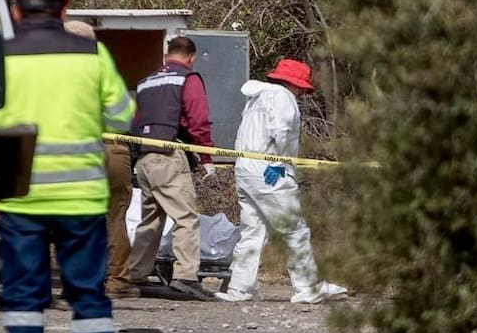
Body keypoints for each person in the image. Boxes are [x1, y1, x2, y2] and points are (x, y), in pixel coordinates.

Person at [0, 0, 136, 333]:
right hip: (81, 199)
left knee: (24, 299)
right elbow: (122, 116)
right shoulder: (91, 55)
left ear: (15, 7)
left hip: (19, 198)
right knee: (88, 293)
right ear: (63, 5)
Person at [217, 58, 348, 304]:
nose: (301, 93)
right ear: (294, 84)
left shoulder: (256, 97)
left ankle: (240, 287)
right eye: (301, 88)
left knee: (252, 230)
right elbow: (282, 129)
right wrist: (277, 162)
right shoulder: (283, 97)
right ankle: (308, 287)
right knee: (294, 228)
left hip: (245, 168)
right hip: (268, 169)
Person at [125, 35, 218, 301]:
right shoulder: (188, 79)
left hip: (144, 158)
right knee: (186, 218)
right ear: (192, 57)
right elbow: (197, 120)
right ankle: (186, 277)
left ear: (167, 55)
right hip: (168, 156)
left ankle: (136, 273)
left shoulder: (146, 82)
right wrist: (207, 158)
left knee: (151, 220)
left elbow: (135, 120)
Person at [64, 19, 139, 299]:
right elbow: (124, 113)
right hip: (114, 148)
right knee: (115, 217)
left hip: (77, 150)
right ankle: (118, 281)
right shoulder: (105, 71)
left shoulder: (57, 72)